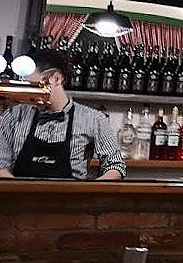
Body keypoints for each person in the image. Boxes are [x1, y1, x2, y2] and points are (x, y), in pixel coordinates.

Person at [0, 49, 125, 180]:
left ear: (56, 78)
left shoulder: (93, 119)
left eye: (33, 86)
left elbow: (115, 165)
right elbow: (1, 164)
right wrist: (18, 190)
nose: (28, 92)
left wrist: (91, 190)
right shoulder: (14, 115)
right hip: (20, 193)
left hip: (72, 193)